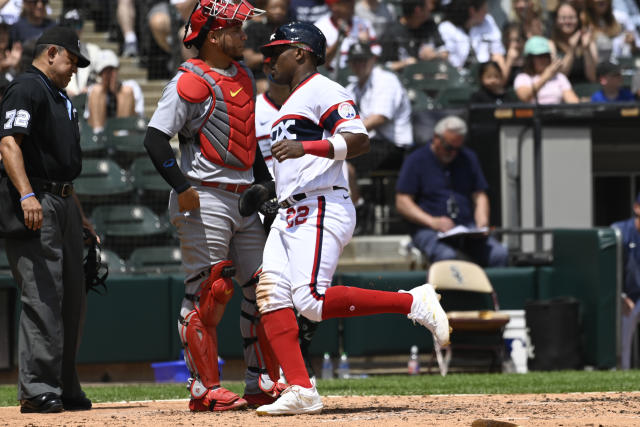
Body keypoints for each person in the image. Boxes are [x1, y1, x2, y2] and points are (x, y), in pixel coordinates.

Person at [252, 21, 450, 416]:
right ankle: (301, 389)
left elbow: (359, 140)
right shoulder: (288, 102)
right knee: (271, 296)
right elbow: (293, 164)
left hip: (323, 204)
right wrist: (266, 193)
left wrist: (306, 144)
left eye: (276, 53)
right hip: (291, 210)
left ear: (301, 53)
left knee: (309, 301)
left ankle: (412, 301)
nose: (268, 60)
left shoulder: (324, 88)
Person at [142, 0, 282, 412]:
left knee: (262, 288)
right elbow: (154, 139)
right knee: (208, 290)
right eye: (237, 30)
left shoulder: (243, 73)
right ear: (215, 36)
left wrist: (265, 184)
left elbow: (249, 141)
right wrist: (181, 186)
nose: (244, 36)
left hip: (242, 198)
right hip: (204, 196)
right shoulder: (188, 81)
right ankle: (204, 390)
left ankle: (260, 382)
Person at [0, 25, 95, 413]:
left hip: (63, 201)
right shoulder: (27, 87)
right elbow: (8, 143)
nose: (74, 67)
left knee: (72, 298)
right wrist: (26, 195)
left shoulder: (60, 96)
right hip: (35, 200)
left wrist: (82, 218)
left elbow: (65, 169)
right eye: (71, 59)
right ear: (51, 52)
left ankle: (64, 384)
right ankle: (38, 386)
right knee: (43, 297)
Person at [395, 116, 508, 268]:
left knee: (499, 254)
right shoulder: (416, 160)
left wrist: (482, 221)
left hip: (466, 228)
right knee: (447, 257)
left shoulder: (468, 157)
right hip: (429, 230)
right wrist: (432, 221)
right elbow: (402, 202)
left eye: (457, 149)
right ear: (436, 138)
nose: (453, 153)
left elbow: (480, 195)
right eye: (449, 147)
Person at [345, 40, 412, 234]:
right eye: (355, 61)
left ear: (372, 60)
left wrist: (343, 135)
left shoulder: (385, 80)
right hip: (371, 143)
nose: (359, 65)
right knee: (336, 154)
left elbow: (379, 118)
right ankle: (358, 206)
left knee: (341, 156)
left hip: (394, 146)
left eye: (363, 60)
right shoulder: (353, 87)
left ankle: (359, 210)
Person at [437, 0, 507, 77]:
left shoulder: (488, 21)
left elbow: (497, 55)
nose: (486, 12)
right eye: (484, 9)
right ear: (472, 10)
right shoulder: (446, 28)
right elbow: (443, 60)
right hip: (455, 78)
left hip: (484, 78)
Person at [611, 193, 640, 370]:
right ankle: (622, 386)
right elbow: (610, 270)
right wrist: (620, 295)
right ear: (637, 208)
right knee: (622, 346)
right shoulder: (620, 232)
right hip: (627, 297)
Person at [378, 0, 447, 73]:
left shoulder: (430, 25)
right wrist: (404, 63)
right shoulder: (391, 33)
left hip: (431, 77)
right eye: (427, 6)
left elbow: (445, 53)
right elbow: (383, 67)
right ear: (418, 10)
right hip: (404, 81)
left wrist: (435, 55)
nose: (430, 8)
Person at [314, 0, 379, 71]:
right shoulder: (320, 28)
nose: (352, 3)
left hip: (361, 77)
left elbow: (377, 56)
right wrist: (339, 41)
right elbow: (321, 64)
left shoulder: (364, 24)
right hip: (332, 76)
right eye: (346, 1)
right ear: (334, 6)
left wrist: (365, 45)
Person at [514, 35, 579, 104]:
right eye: (539, 56)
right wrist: (546, 76)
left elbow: (573, 102)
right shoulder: (523, 78)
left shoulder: (559, 77)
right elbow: (524, 96)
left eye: (546, 56)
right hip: (534, 114)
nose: (543, 60)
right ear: (530, 59)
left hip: (557, 113)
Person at [243, 0, 288, 93]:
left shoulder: (288, 31)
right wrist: (274, 56)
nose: (279, 11)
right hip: (259, 77)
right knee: (266, 87)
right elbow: (249, 60)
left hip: (285, 76)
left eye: (282, 8)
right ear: (264, 9)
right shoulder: (254, 28)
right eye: (274, 8)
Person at [86, 49, 137, 133]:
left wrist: (116, 92)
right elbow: (88, 119)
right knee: (97, 90)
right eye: (105, 71)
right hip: (99, 132)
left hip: (125, 133)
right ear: (100, 74)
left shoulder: (129, 87)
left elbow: (137, 115)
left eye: (112, 70)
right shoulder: (94, 90)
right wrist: (105, 90)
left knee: (126, 91)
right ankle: (99, 136)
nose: (109, 74)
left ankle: (121, 135)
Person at [549, 1, 598, 84]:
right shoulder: (551, 44)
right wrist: (571, 49)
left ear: (578, 20)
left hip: (585, 91)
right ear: (556, 21)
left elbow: (592, 76)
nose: (567, 22)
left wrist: (586, 48)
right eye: (563, 18)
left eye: (571, 17)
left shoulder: (589, 42)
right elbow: (560, 75)